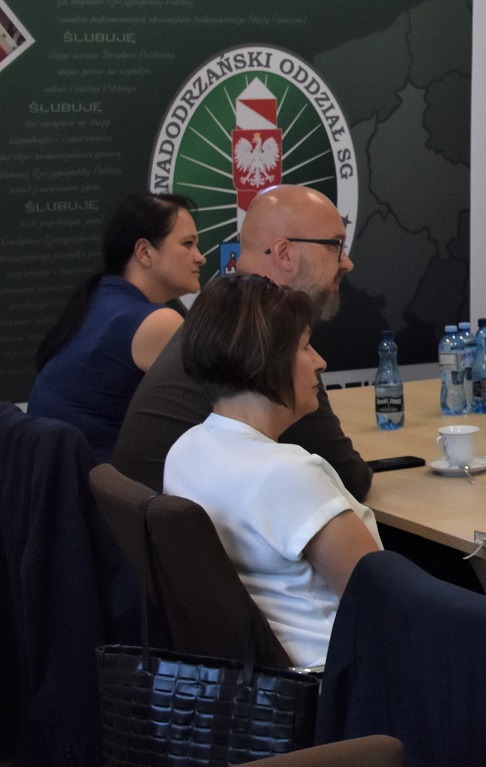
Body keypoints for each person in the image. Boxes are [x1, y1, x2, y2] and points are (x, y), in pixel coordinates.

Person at [162, 272, 382, 669]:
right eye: (305, 347)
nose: (320, 362)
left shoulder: (185, 451)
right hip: (345, 675)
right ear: (265, 362)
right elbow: (383, 601)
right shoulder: (288, 475)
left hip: (270, 679)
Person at [112, 184, 366, 498]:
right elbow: (349, 479)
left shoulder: (229, 312)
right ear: (284, 253)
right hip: (194, 525)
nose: (346, 262)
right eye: (335, 245)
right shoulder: (260, 330)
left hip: (162, 520)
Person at [28, 192, 204, 462]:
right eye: (188, 244)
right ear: (144, 252)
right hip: (96, 483)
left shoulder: (99, 296)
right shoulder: (157, 323)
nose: (200, 257)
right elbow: (220, 412)